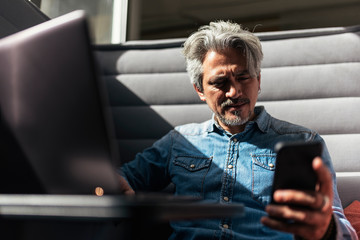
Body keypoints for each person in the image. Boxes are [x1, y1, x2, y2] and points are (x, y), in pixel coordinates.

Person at [118, 21, 357, 239]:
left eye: (243, 77)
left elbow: (343, 232)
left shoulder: (303, 142)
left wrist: (326, 229)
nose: (234, 92)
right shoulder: (180, 141)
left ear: (259, 81)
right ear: (199, 89)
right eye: (220, 83)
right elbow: (121, 177)